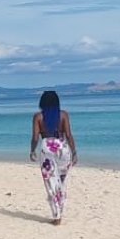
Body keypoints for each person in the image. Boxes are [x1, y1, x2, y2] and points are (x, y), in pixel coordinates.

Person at [29, 90, 78, 225]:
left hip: (46, 148)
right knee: (62, 182)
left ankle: (57, 215)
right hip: (62, 147)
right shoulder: (63, 115)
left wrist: (32, 150)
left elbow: (35, 137)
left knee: (51, 182)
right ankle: (60, 211)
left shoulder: (38, 117)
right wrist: (74, 152)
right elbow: (69, 135)